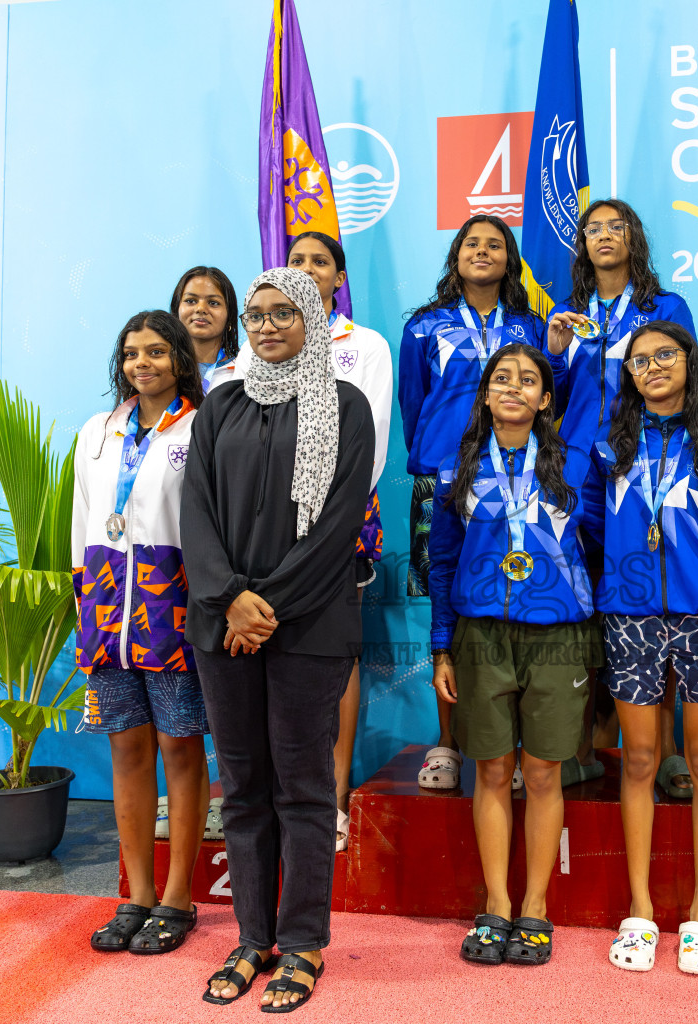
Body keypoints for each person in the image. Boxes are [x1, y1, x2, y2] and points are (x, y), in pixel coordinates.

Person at [183, 267, 374, 1011]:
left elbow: (337, 526)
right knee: (242, 790)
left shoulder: (344, 407)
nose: (266, 326)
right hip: (222, 627)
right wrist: (230, 599)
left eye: (283, 314)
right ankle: (251, 936)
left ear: (314, 320)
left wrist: (266, 606)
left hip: (310, 627)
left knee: (302, 789)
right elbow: (194, 510)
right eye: (256, 315)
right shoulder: (221, 404)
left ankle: (302, 944)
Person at [584, 322, 698, 975]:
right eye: (639, 360)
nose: (653, 366)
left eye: (666, 355)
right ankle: (640, 910)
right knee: (638, 760)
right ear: (627, 374)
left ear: (690, 361)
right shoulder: (610, 447)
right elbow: (593, 529)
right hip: (632, 617)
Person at [428, 343, 597, 968]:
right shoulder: (458, 468)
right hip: (481, 636)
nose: (514, 388)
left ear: (547, 398)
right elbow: (441, 561)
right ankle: (496, 904)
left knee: (546, 772)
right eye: (502, 378)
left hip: (557, 637)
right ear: (486, 392)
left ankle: (535, 907)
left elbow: (602, 548)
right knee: (493, 771)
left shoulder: (576, 466)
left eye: (529, 380)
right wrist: (442, 644)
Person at [546, 198, 696, 793]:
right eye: (593, 228)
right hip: (577, 469)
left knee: (650, 597)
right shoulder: (568, 311)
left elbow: (685, 377)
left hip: (644, 465)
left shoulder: (665, 307)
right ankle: (576, 746)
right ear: (581, 243)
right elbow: (548, 395)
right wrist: (554, 351)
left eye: (616, 226)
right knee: (578, 606)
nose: (604, 236)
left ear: (635, 237)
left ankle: (667, 753)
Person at [398, 215, 551, 789]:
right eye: (471, 243)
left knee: (510, 601)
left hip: (517, 475)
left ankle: (506, 744)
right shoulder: (424, 326)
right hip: (445, 477)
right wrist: (441, 454)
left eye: (494, 244)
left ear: (510, 260)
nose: (482, 251)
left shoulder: (530, 326)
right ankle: (448, 742)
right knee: (449, 606)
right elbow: (415, 405)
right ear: (455, 256)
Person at [75, 310, 208, 955]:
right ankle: (137, 896)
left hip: (173, 607)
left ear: (180, 359)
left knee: (181, 749)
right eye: (132, 354)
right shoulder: (96, 432)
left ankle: (179, 897)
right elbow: (84, 522)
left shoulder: (200, 427)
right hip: (106, 607)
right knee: (127, 748)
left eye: (157, 352)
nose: (143, 364)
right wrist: (86, 601)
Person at [282, 231, 393, 851]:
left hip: (341, 516)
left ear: (338, 277)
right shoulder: (260, 345)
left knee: (335, 654)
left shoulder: (365, 345)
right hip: (270, 525)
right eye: (296, 259)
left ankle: (335, 798)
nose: (306, 269)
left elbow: (368, 439)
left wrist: (324, 512)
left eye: (319, 261)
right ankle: (289, 798)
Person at [170, 265, 240, 393]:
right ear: (176, 311)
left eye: (213, 303)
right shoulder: (163, 371)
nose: (200, 308)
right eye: (191, 301)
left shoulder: (242, 372)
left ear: (229, 316)